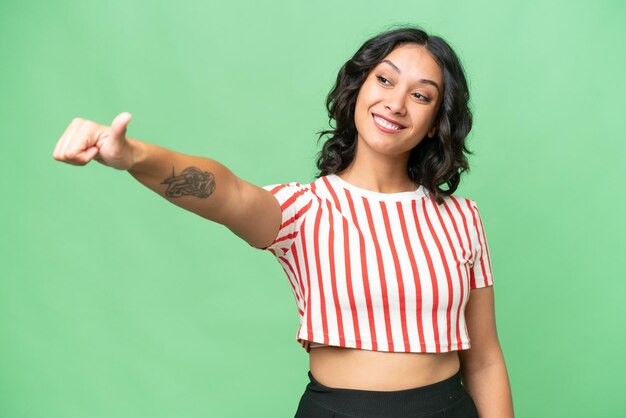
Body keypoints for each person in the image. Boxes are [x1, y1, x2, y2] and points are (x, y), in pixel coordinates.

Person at [52, 25, 514, 418]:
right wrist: (132, 156)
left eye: (420, 95)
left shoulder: (460, 218)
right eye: (384, 81)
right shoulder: (303, 211)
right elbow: (225, 191)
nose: (396, 103)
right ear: (359, 89)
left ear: (435, 122)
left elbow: (486, 359)